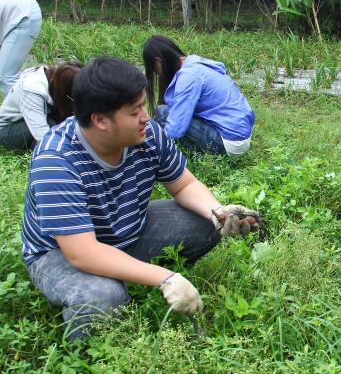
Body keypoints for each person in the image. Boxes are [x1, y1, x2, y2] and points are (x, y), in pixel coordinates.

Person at [22, 56, 261, 341]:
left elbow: (184, 185)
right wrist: (163, 276)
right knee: (104, 295)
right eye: (134, 111)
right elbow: (81, 252)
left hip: (127, 228)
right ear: (99, 120)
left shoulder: (146, 134)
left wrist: (218, 211)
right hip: (61, 253)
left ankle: (132, 272)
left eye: (143, 105)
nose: (146, 116)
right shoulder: (56, 159)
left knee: (207, 222)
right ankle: (86, 356)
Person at [142, 35, 255, 156]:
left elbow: (175, 129)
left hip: (230, 142)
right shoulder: (197, 63)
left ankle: (190, 156)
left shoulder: (188, 77)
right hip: (242, 136)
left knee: (163, 112)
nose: (158, 75)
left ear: (158, 61)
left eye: (155, 70)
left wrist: (154, 148)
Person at [0, 61, 80, 151]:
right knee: (58, 131)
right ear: (64, 90)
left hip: (40, 117)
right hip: (8, 130)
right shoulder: (32, 92)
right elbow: (42, 135)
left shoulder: (55, 78)